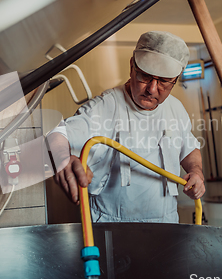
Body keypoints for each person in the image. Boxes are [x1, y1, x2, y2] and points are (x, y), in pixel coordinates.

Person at [48, 31, 205, 223]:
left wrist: (196, 171)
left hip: (166, 224)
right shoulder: (106, 106)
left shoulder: (175, 108)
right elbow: (58, 133)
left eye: (163, 81)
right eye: (145, 77)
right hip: (115, 227)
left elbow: (188, 147)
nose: (152, 89)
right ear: (132, 66)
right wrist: (62, 158)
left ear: (176, 78)